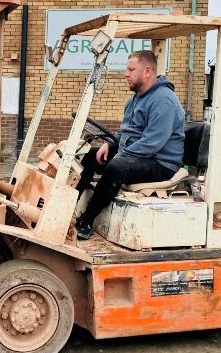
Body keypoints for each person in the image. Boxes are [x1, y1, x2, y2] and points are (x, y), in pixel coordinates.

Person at [74, 50, 185, 240]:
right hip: (142, 155)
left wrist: (120, 155)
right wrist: (110, 144)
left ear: (147, 71)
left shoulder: (163, 100)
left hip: (161, 163)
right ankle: (70, 206)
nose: (126, 74)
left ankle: (86, 221)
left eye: (131, 69)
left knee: (116, 167)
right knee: (92, 155)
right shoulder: (136, 99)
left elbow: (152, 143)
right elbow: (128, 132)